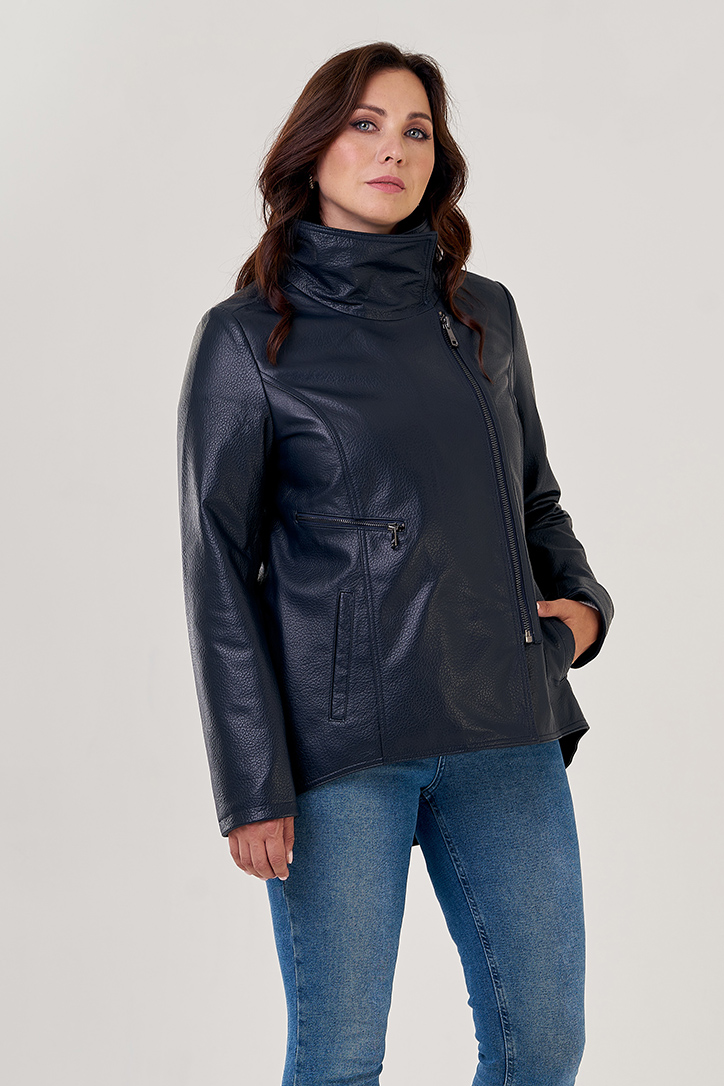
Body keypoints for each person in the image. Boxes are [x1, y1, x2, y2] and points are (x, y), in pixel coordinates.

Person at [177, 41, 614, 1086]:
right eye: (365, 124)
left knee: (544, 1046)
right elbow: (217, 571)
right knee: (338, 1058)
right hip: (341, 752)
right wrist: (251, 782)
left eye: (416, 130)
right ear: (312, 148)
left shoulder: (482, 313)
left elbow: (534, 500)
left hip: (505, 725)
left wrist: (584, 608)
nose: (393, 149)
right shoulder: (247, 339)